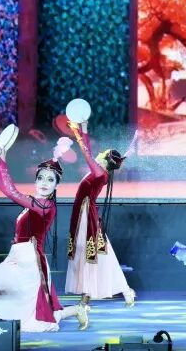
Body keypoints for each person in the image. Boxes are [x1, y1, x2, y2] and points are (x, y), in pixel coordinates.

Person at [0, 133, 89, 331]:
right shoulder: (34, 204)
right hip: (19, 257)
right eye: (40, 178)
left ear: (56, 185)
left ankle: (77, 310)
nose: (44, 183)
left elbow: (9, 190)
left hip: (30, 261)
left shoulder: (44, 206)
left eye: (50, 180)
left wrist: (0, 160)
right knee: (2, 292)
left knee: (26, 313)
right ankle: (77, 310)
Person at [65, 120, 135, 304]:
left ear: (105, 160)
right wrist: (84, 128)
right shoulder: (101, 172)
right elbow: (89, 151)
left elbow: (86, 152)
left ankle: (94, 295)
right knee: (94, 253)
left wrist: (76, 132)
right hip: (84, 213)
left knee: (90, 253)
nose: (99, 153)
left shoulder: (99, 173)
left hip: (86, 215)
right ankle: (118, 291)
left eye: (102, 153)